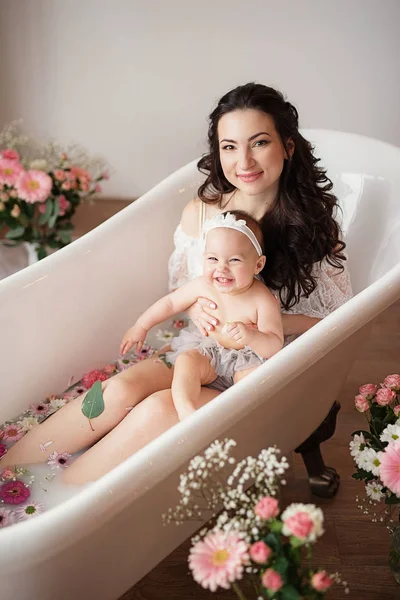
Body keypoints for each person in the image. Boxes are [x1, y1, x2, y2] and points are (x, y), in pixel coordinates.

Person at [1, 83, 352, 484]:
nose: (245, 160)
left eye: (259, 143)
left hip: (260, 370)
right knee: (120, 388)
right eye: (230, 147)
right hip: (201, 354)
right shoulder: (202, 214)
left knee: (158, 409)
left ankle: (60, 502)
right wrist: (196, 309)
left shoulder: (314, 231)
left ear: (288, 147)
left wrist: (257, 324)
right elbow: (184, 291)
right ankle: (9, 472)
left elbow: (334, 325)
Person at [120, 210, 283, 420]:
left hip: (246, 358)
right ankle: (186, 410)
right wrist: (141, 326)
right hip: (210, 350)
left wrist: (252, 336)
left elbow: (275, 343)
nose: (221, 268)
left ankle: (238, 418)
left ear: (258, 264)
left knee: (252, 379)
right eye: (213, 258)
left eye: (234, 260)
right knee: (187, 360)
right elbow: (170, 303)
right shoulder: (203, 285)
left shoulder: (262, 299)